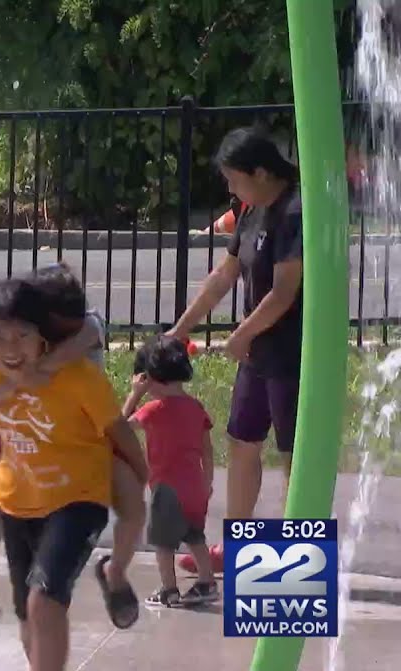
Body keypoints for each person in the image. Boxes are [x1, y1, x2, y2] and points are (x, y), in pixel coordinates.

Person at [0, 276, 149, 671]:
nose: (10, 346)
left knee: (44, 602)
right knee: (30, 621)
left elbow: (118, 431)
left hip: (79, 493)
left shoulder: (79, 370)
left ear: (45, 333)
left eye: (22, 336)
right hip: (19, 496)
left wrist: (139, 478)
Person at [0, 263, 145, 630]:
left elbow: (82, 341)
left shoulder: (84, 329)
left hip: (84, 439)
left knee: (134, 503)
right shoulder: (14, 334)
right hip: (24, 437)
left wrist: (27, 375)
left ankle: (116, 571)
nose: (65, 335)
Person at [167, 127, 304, 574]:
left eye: (234, 178)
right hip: (258, 356)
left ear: (261, 173)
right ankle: (239, 548)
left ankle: (294, 558)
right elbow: (223, 278)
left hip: (293, 353)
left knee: (293, 455)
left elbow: (285, 292)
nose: (230, 188)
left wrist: (241, 335)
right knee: (242, 443)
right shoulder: (252, 211)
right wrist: (180, 329)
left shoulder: (294, 212)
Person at [122, 336, 219, 607]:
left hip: (167, 489)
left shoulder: (153, 409)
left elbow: (118, 427)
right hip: (195, 487)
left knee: (164, 545)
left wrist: (134, 394)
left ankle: (169, 588)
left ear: (150, 377)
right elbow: (207, 450)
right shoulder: (195, 407)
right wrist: (207, 482)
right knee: (195, 537)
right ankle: (207, 583)